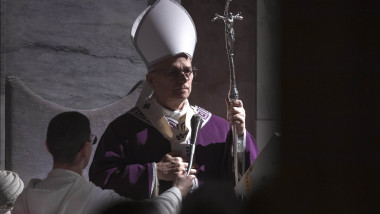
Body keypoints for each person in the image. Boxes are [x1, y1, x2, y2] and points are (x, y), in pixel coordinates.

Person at [89, 0, 258, 200]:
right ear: (151, 79)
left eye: (188, 71)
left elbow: (248, 182)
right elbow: (99, 180)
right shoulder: (124, 130)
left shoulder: (218, 129)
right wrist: (155, 172)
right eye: (173, 72)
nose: (183, 78)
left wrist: (239, 136)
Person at [12, 111, 194, 214]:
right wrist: (178, 190)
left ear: (47, 147)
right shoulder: (95, 199)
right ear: (86, 148)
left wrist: (154, 171)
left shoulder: (24, 198)